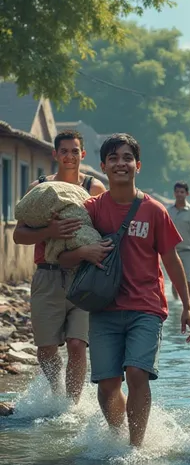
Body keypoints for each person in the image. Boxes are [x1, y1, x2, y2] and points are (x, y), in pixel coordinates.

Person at [58, 133, 190, 448]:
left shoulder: (154, 210)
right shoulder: (91, 209)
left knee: (136, 372)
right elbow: (61, 256)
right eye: (114, 158)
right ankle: (119, 437)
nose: (121, 163)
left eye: (127, 158)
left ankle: (135, 448)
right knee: (108, 385)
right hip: (104, 308)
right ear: (104, 167)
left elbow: (172, 261)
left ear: (138, 165)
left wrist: (187, 305)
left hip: (145, 307)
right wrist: (84, 253)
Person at [13, 130, 106, 403]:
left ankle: (71, 407)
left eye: (74, 151)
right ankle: (56, 395)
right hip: (47, 275)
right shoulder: (39, 189)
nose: (69, 156)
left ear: (83, 154)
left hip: (83, 276)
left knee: (78, 344)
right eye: (63, 151)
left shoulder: (94, 189)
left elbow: (105, 234)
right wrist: (50, 229)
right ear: (55, 154)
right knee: (46, 349)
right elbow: (19, 236)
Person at [168, 182, 190, 299]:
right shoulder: (168, 211)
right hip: (172, 250)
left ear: (187, 194)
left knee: (188, 279)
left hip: (188, 250)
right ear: (174, 193)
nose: (179, 194)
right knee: (175, 279)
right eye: (177, 192)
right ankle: (176, 303)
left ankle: (188, 304)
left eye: (182, 192)